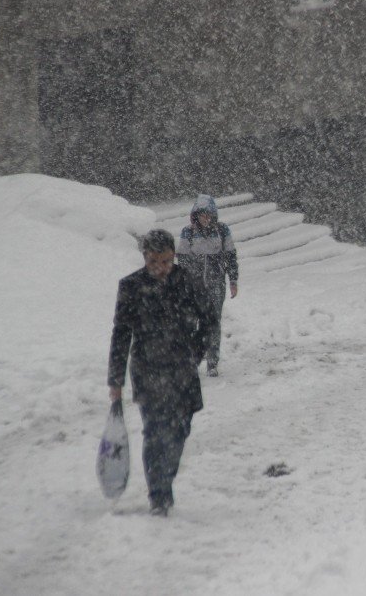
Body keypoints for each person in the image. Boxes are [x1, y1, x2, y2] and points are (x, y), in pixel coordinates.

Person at [108, 229, 214, 516]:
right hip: (147, 370)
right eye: (154, 261)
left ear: (173, 257)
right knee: (155, 433)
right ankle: (159, 495)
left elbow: (209, 318)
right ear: (145, 258)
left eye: (166, 261)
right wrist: (115, 380)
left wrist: (196, 351)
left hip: (182, 370)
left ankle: (165, 477)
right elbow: (121, 334)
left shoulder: (187, 282)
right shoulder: (131, 287)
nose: (160, 268)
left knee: (179, 431)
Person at [176, 194, 239, 377]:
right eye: (201, 215)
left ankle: (212, 362)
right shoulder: (188, 232)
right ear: (195, 216)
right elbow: (183, 259)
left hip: (216, 285)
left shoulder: (222, 230)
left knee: (213, 323)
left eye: (208, 215)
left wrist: (233, 280)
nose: (205, 218)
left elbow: (231, 256)